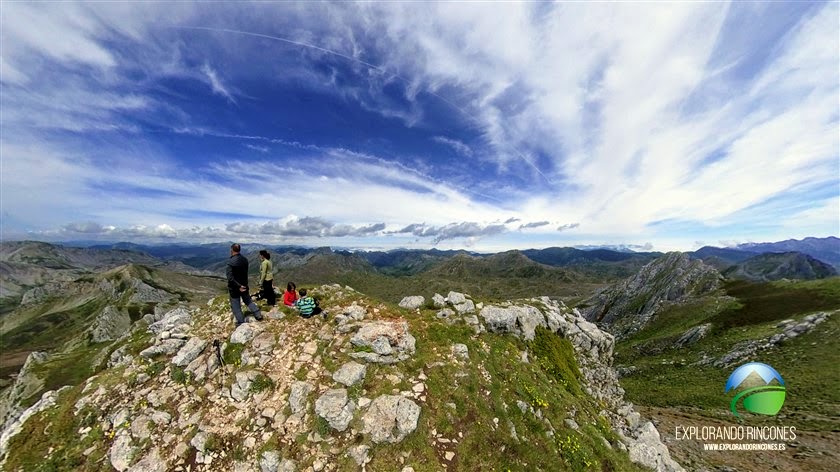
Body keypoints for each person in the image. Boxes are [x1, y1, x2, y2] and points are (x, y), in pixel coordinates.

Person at [226, 243, 263, 327]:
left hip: (234, 288)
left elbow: (230, 278)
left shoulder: (230, 262)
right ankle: (257, 314)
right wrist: (242, 285)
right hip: (244, 285)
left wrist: (238, 286)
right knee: (248, 300)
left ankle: (241, 322)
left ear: (232, 250)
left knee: (236, 305)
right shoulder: (245, 259)